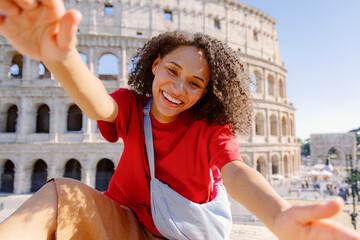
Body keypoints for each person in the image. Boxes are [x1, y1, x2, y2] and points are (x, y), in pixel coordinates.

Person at [0, 1, 359, 239]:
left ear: (205, 93)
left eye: (194, 83)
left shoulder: (209, 129)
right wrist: (60, 57)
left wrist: (278, 214)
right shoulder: (131, 106)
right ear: (154, 66)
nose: (177, 87)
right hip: (123, 226)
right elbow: (97, 104)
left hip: (181, 235)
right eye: (172, 70)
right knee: (59, 193)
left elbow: (235, 172)